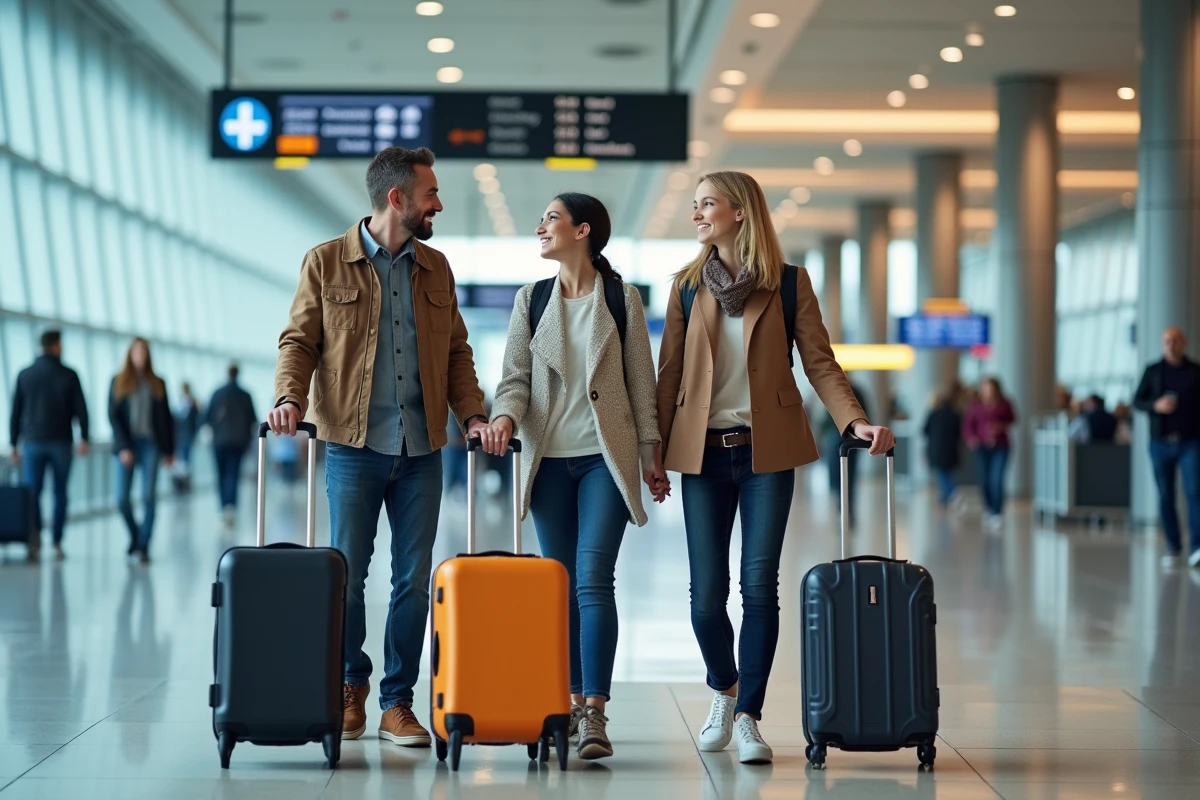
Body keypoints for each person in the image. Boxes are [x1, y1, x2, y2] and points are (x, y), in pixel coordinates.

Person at [655, 171, 893, 765]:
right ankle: (723, 686)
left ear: (741, 212)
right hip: (702, 453)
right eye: (696, 205)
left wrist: (853, 421)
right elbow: (668, 373)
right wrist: (651, 452)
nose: (698, 215)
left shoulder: (788, 284)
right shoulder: (686, 286)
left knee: (759, 586)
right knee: (706, 597)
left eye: (707, 204)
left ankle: (749, 716)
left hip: (767, 453)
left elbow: (821, 363)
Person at [266, 146, 489, 747]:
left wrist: (471, 415)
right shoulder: (326, 262)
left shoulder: (436, 268)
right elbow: (299, 341)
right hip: (352, 447)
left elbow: (456, 354)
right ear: (398, 199)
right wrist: (289, 398)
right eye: (430, 194)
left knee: (413, 580)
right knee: (347, 575)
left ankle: (398, 701)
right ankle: (349, 686)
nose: (437, 203)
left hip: (422, 451)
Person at [479, 193, 668, 761]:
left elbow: (642, 383)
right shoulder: (530, 300)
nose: (540, 227)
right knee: (559, 585)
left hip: (603, 459)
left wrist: (651, 452)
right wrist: (504, 415)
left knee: (592, 578)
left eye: (551, 219)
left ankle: (594, 712)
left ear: (583, 231)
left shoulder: (621, 298)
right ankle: (562, 701)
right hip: (548, 461)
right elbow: (513, 375)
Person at [8, 330, 90, 561]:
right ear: (56, 346)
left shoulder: (25, 374)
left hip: (32, 442)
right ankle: (56, 541)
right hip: (61, 442)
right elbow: (81, 409)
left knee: (33, 492)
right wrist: (84, 437)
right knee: (60, 492)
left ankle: (34, 539)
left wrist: (14, 443)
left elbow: (15, 412)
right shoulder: (69, 375)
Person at [1133, 326, 1200, 568]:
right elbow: (1137, 401)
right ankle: (1173, 546)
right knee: (1165, 495)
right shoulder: (1153, 371)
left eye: (1175, 340)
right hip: (1161, 442)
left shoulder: (1195, 371)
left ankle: (1197, 547)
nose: (1170, 345)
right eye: (1166, 341)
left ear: (1184, 343)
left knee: (1195, 492)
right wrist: (1156, 405)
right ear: (1162, 344)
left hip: (1190, 441)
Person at [109, 337, 175, 563]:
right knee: (122, 499)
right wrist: (124, 448)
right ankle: (136, 536)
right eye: (137, 352)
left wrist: (169, 451)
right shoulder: (118, 382)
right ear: (130, 355)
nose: (141, 356)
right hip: (127, 444)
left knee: (148, 495)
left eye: (144, 352)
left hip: (150, 444)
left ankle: (144, 545)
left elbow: (167, 418)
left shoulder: (157, 383)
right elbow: (113, 417)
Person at [205, 364, 258, 527]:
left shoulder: (217, 393)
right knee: (233, 474)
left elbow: (207, 417)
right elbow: (253, 419)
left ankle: (223, 506)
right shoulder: (246, 395)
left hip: (219, 441)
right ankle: (231, 507)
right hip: (238, 441)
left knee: (221, 475)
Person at [963, 376, 1016, 530]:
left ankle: (997, 511)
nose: (988, 391)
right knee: (984, 479)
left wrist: (1001, 426)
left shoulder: (1005, 403)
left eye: (991, 387)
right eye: (985, 387)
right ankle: (989, 508)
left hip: (1000, 446)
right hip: (981, 447)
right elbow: (968, 425)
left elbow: (1013, 419)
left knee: (997, 478)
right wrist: (971, 438)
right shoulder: (975, 405)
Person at [923, 383, 964, 507]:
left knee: (942, 473)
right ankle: (944, 498)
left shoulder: (934, 413)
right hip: (951, 449)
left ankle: (953, 492)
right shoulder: (955, 414)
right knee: (944, 472)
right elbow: (959, 433)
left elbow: (925, 430)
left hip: (936, 449)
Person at [172, 383, 201, 492]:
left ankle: (186, 484)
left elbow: (197, 420)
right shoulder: (179, 404)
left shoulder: (192, 404)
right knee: (181, 460)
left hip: (188, 434)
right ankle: (181, 484)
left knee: (187, 459)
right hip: (180, 435)